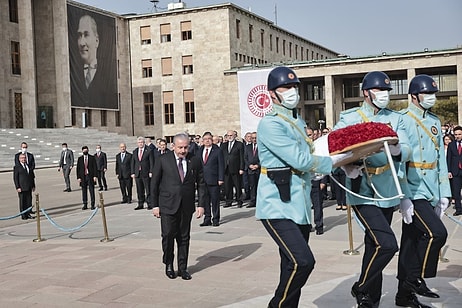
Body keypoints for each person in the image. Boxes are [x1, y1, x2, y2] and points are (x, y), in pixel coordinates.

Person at [256, 66, 342, 307]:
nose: (293, 91)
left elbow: (310, 154)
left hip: (299, 205)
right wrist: (334, 162)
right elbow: (300, 160)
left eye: (295, 87)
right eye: (286, 87)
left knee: (289, 265)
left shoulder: (297, 120)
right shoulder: (270, 124)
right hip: (276, 204)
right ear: (272, 93)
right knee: (302, 262)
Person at [334, 71, 411, 307]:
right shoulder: (350, 117)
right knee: (386, 243)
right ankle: (362, 288)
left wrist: (395, 146)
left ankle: (369, 297)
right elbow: (335, 147)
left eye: (387, 91)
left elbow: (407, 150)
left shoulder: (396, 118)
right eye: (379, 91)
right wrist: (347, 166)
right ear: (366, 93)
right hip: (362, 190)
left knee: (374, 243)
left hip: (387, 189)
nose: (384, 95)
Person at [395, 74, 451, 308]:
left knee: (411, 240)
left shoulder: (435, 122)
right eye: (426, 94)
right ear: (414, 96)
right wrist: (403, 196)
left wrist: (443, 193)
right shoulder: (403, 119)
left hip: (430, 188)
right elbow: (398, 161)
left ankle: (403, 295)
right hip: (413, 187)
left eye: (433, 94)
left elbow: (440, 159)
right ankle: (415, 278)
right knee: (437, 234)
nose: (431, 98)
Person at [151, 132, 206, 280]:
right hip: (167, 205)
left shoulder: (194, 160)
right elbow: (154, 184)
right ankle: (169, 264)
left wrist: (201, 205)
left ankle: (183, 268)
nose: (183, 151)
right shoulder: (163, 160)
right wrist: (155, 205)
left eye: (185, 147)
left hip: (186, 206)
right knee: (168, 236)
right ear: (173, 146)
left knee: (184, 238)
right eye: (180, 147)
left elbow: (201, 183)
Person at [70, 14, 117, 109]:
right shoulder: (72, 74)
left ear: (97, 40)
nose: (82, 43)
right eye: (79, 36)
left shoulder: (109, 75)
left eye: (86, 35)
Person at [197, 131, 224, 226]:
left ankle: (215, 219)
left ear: (212, 140)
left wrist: (221, 178)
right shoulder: (200, 150)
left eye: (209, 139)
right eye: (205, 139)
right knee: (205, 200)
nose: (207, 141)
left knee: (215, 200)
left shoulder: (217, 150)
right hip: (202, 180)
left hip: (214, 179)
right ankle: (207, 218)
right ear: (202, 141)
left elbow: (221, 165)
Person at [221, 130, 245, 207]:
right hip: (226, 168)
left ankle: (239, 201)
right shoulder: (224, 145)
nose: (229, 137)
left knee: (237, 185)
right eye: (228, 135)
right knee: (227, 186)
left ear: (235, 136)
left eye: (231, 135)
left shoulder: (239, 145)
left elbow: (242, 157)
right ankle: (229, 201)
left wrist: (241, 168)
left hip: (236, 168)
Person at [131, 137, 154, 210]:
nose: (140, 144)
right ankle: (140, 203)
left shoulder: (149, 151)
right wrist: (132, 172)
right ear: (137, 144)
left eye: (142, 142)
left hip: (146, 173)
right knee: (139, 189)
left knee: (148, 189)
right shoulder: (135, 151)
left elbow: (151, 162)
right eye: (139, 142)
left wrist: (151, 171)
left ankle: (149, 203)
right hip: (138, 173)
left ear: (144, 143)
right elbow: (133, 163)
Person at [13, 153, 36, 220]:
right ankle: (23, 215)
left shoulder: (28, 166)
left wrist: (33, 185)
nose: (24, 159)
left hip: (29, 187)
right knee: (22, 202)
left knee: (29, 201)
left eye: (24, 158)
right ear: (19, 159)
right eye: (22, 158)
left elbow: (31, 176)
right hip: (22, 187)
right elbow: (15, 178)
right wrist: (17, 187)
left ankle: (28, 214)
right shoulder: (17, 167)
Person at [76, 146, 98, 210]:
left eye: (86, 150)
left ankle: (92, 204)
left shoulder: (92, 158)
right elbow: (78, 169)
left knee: (91, 190)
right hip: (83, 177)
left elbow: (95, 167)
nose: (85, 151)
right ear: (82, 151)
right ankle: (85, 204)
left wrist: (95, 176)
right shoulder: (80, 159)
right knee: (84, 191)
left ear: (88, 150)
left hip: (90, 176)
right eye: (84, 150)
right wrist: (78, 177)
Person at [447, 125, 462, 216]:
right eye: (456, 134)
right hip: (455, 171)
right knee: (456, 192)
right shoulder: (451, 145)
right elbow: (448, 158)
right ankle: (458, 209)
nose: (457, 136)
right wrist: (449, 171)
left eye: (459, 134)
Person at [244, 132, 260, 208]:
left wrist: (257, 165)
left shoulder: (261, 146)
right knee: (252, 186)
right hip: (250, 170)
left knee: (259, 186)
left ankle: (259, 201)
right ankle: (253, 201)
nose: (254, 139)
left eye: (255, 138)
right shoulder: (248, 147)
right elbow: (245, 158)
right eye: (252, 138)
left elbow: (263, 157)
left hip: (258, 169)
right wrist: (249, 165)